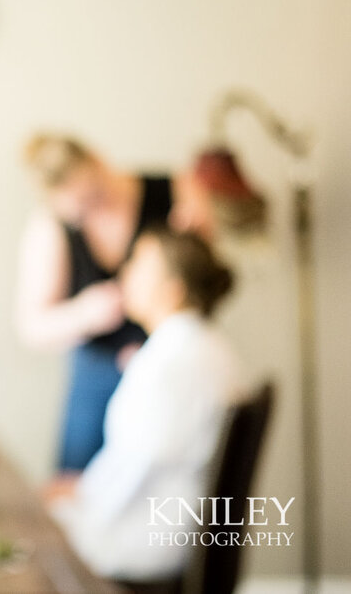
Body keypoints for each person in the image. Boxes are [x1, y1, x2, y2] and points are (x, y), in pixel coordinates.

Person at [14, 133, 264, 473]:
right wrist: (84, 314)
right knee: (83, 481)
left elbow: (205, 276)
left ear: (98, 160)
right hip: (98, 374)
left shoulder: (177, 192)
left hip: (169, 366)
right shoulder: (50, 228)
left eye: (95, 196)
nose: (94, 213)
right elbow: (32, 327)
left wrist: (199, 238)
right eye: (79, 212)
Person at [43, 226, 255, 581]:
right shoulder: (206, 347)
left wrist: (78, 495)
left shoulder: (169, 364)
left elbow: (138, 467)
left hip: (147, 541)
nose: (125, 273)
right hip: (179, 527)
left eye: (139, 264)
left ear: (172, 291)